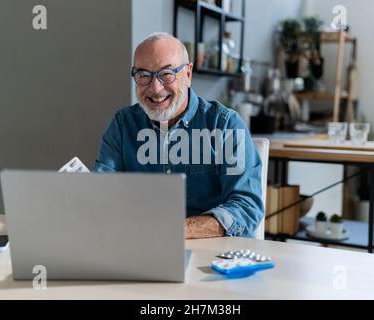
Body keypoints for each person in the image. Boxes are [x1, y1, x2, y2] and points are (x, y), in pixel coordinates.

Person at [94, 32, 263, 239]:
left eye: (167, 74)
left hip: (216, 259)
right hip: (144, 249)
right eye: (144, 75)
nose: (155, 88)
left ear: (188, 74)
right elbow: (101, 193)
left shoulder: (224, 125)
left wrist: (174, 229)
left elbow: (247, 207)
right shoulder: (123, 125)